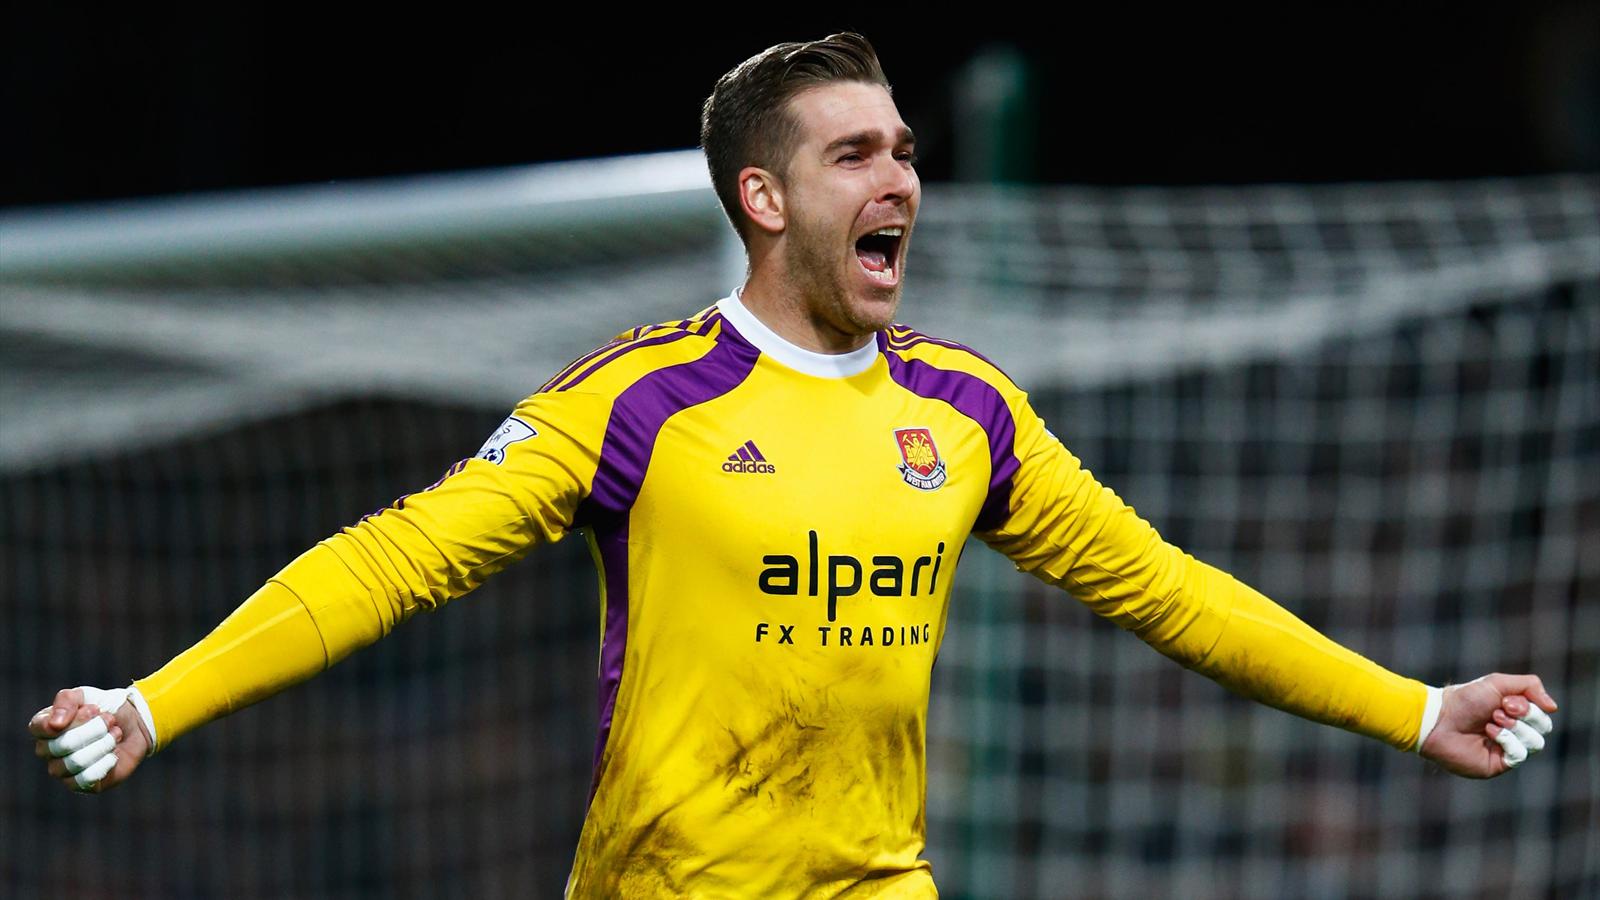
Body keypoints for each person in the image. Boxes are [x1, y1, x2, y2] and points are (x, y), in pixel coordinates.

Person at [28, 33, 1559, 898]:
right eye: (855, 155)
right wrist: (157, 701)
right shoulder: (639, 399)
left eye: (905, 151)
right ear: (763, 200)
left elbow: (1164, 591)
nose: (901, 180)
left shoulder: (969, 413)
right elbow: (394, 559)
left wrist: (1413, 707)